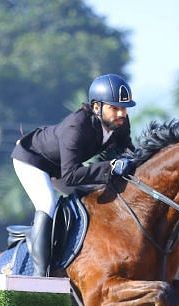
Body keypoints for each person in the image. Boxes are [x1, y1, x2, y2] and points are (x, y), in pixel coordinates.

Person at [11, 73, 137, 276]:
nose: (121, 113)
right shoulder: (76, 127)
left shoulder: (119, 123)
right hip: (32, 160)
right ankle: (41, 273)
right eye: (115, 108)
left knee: (91, 198)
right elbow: (70, 176)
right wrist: (111, 167)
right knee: (47, 203)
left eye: (124, 108)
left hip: (63, 166)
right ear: (97, 107)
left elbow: (126, 149)